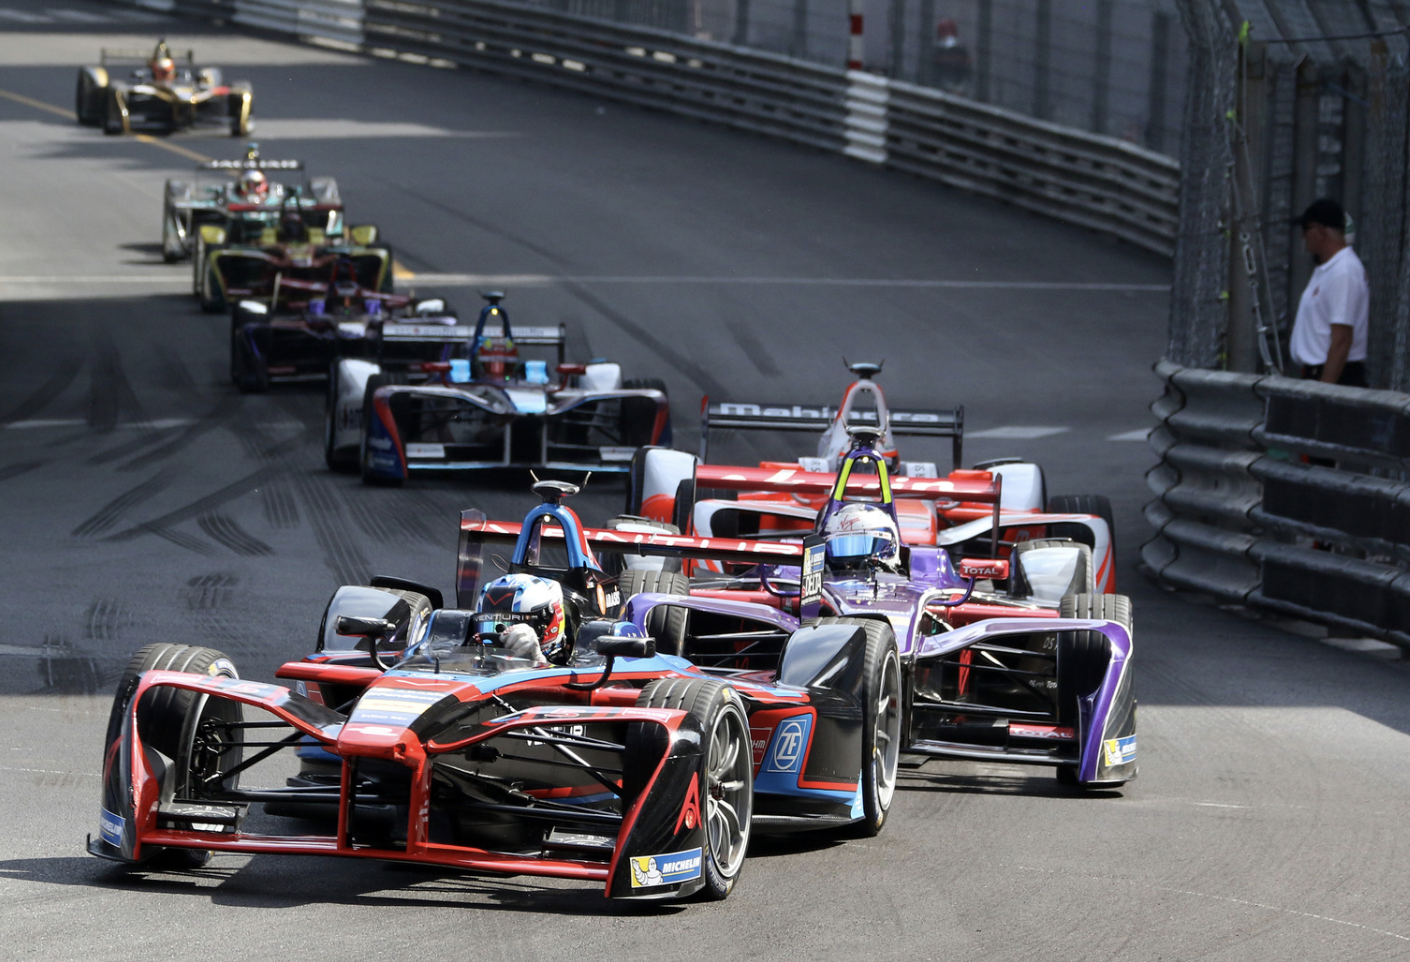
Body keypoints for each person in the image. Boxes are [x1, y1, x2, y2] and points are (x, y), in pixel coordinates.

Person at [1288, 199, 1369, 387]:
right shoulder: (1330, 269)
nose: (1303, 236)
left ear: (1321, 232)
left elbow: (1341, 339)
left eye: (1306, 229)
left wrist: (1324, 391)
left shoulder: (1344, 271)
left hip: (1334, 377)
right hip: (1319, 375)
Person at [476, 573, 570, 665]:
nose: (502, 637)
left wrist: (537, 660)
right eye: (489, 626)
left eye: (514, 626)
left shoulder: (573, 668)